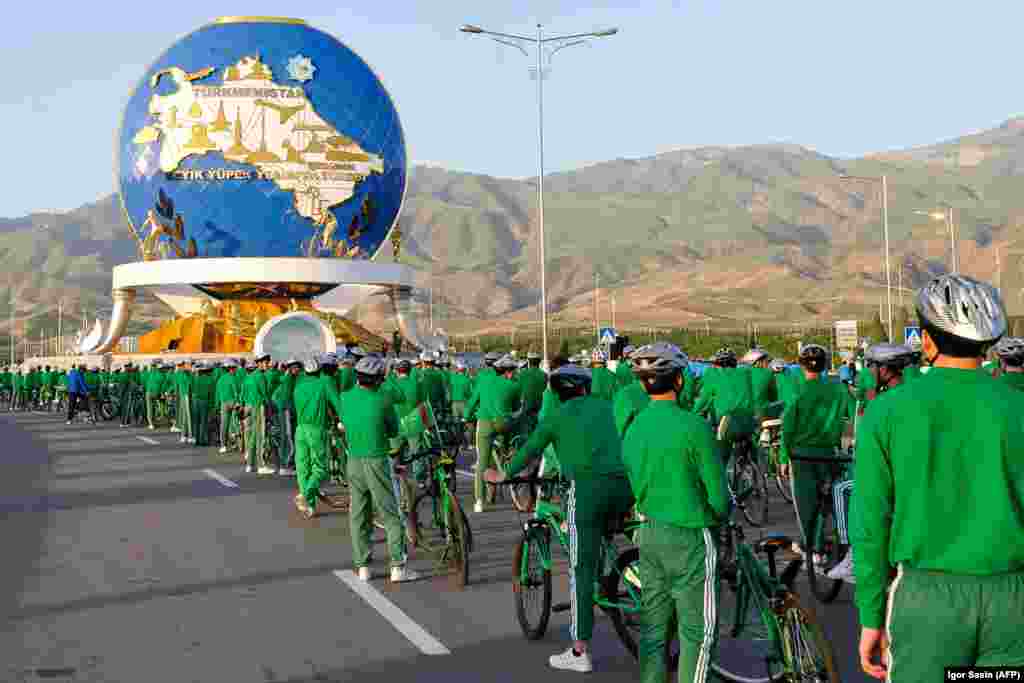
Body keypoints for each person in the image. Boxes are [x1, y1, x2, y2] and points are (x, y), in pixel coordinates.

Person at [853, 275, 1024, 681]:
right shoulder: (1018, 407)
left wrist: (871, 615)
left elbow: (871, 524)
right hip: (1014, 600)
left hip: (927, 601)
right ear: (989, 343)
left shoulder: (887, 411)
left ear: (926, 342)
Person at [484, 364, 635, 673]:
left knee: (580, 567)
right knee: (604, 535)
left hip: (588, 490)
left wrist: (504, 474)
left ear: (556, 391)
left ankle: (579, 652)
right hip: (625, 486)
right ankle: (618, 576)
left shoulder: (555, 417)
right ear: (585, 387)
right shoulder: (606, 406)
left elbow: (531, 449)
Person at [622, 343, 729, 683]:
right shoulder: (694, 427)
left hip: (650, 535)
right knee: (697, 636)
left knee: (654, 634)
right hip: (691, 537)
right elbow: (719, 499)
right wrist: (717, 517)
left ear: (643, 384)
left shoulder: (634, 428)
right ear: (680, 381)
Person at [826, 342, 914, 584]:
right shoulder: (913, 394)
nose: (868, 372)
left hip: (889, 477)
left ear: (884, 370)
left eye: (872, 367)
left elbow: (870, 445)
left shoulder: (881, 403)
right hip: (911, 476)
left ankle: (852, 553)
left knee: (842, 490)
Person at [341, 356, 419, 583]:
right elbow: (394, 430)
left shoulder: (345, 397)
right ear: (377, 379)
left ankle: (362, 566)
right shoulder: (383, 399)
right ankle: (397, 566)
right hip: (377, 460)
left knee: (358, 514)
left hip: (353, 460)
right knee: (391, 514)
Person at [780, 343, 854, 565]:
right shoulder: (838, 388)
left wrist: (784, 458)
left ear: (802, 365)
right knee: (827, 499)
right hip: (829, 452)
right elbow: (852, 415)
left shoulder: (799, 390)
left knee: (805, 503)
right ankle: (830, 542)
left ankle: (810, 547)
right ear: (824, 365)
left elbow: (789, 427)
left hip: (802, 455)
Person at [466, 354, 523, 513]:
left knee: (481, 463)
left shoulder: (483, 381)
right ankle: (505, 453)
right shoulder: (513, 386)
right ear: (508, 372)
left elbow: (472, 401)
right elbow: (516, 409)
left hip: (484, 423)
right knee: (509, 430)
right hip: (503, 424)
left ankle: (479, 501)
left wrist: (465, 416)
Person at [292, 357, 344, 519]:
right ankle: (305, 496)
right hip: (317, 429)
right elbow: (338, 404)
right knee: (320, 468)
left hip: (300, 429)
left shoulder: (298, 386)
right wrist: (343, 421)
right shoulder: (324, 384)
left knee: (303, 468)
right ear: (319, 370)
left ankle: (310, 507)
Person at [243, 354, 274, 474]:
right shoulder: (261, 376)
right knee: (260, 436)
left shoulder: (249, 377)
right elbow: (265, 395)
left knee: (251, 436)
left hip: (249, 406)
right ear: (259, 363)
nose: (267, 364)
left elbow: (244, 393)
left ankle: (250, 464)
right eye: (266, 362)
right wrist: (270, 407)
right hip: (258, 406)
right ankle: (261, 465)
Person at [272, 359, 302, 475]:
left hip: (285, 409)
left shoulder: (289, 378)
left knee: (288, 435)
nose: (296, 369)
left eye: (297, 367)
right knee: (287, 436)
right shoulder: (289, 379)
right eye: (293, 367)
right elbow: (287, 398)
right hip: (285, 409)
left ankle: (287, 463)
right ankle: (286, 465)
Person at [216, 361, 240, 452]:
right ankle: (234, 443)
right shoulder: (232, 378)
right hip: (232, 402)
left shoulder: (220, 379)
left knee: (224, 424)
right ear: (231, 369)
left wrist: (217, 404)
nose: (235, 370)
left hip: (223, 402)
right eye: (234, 368)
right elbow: (235, 391)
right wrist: (238, 402)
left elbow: (217, 393)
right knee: (234, 424)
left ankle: (223, 445)